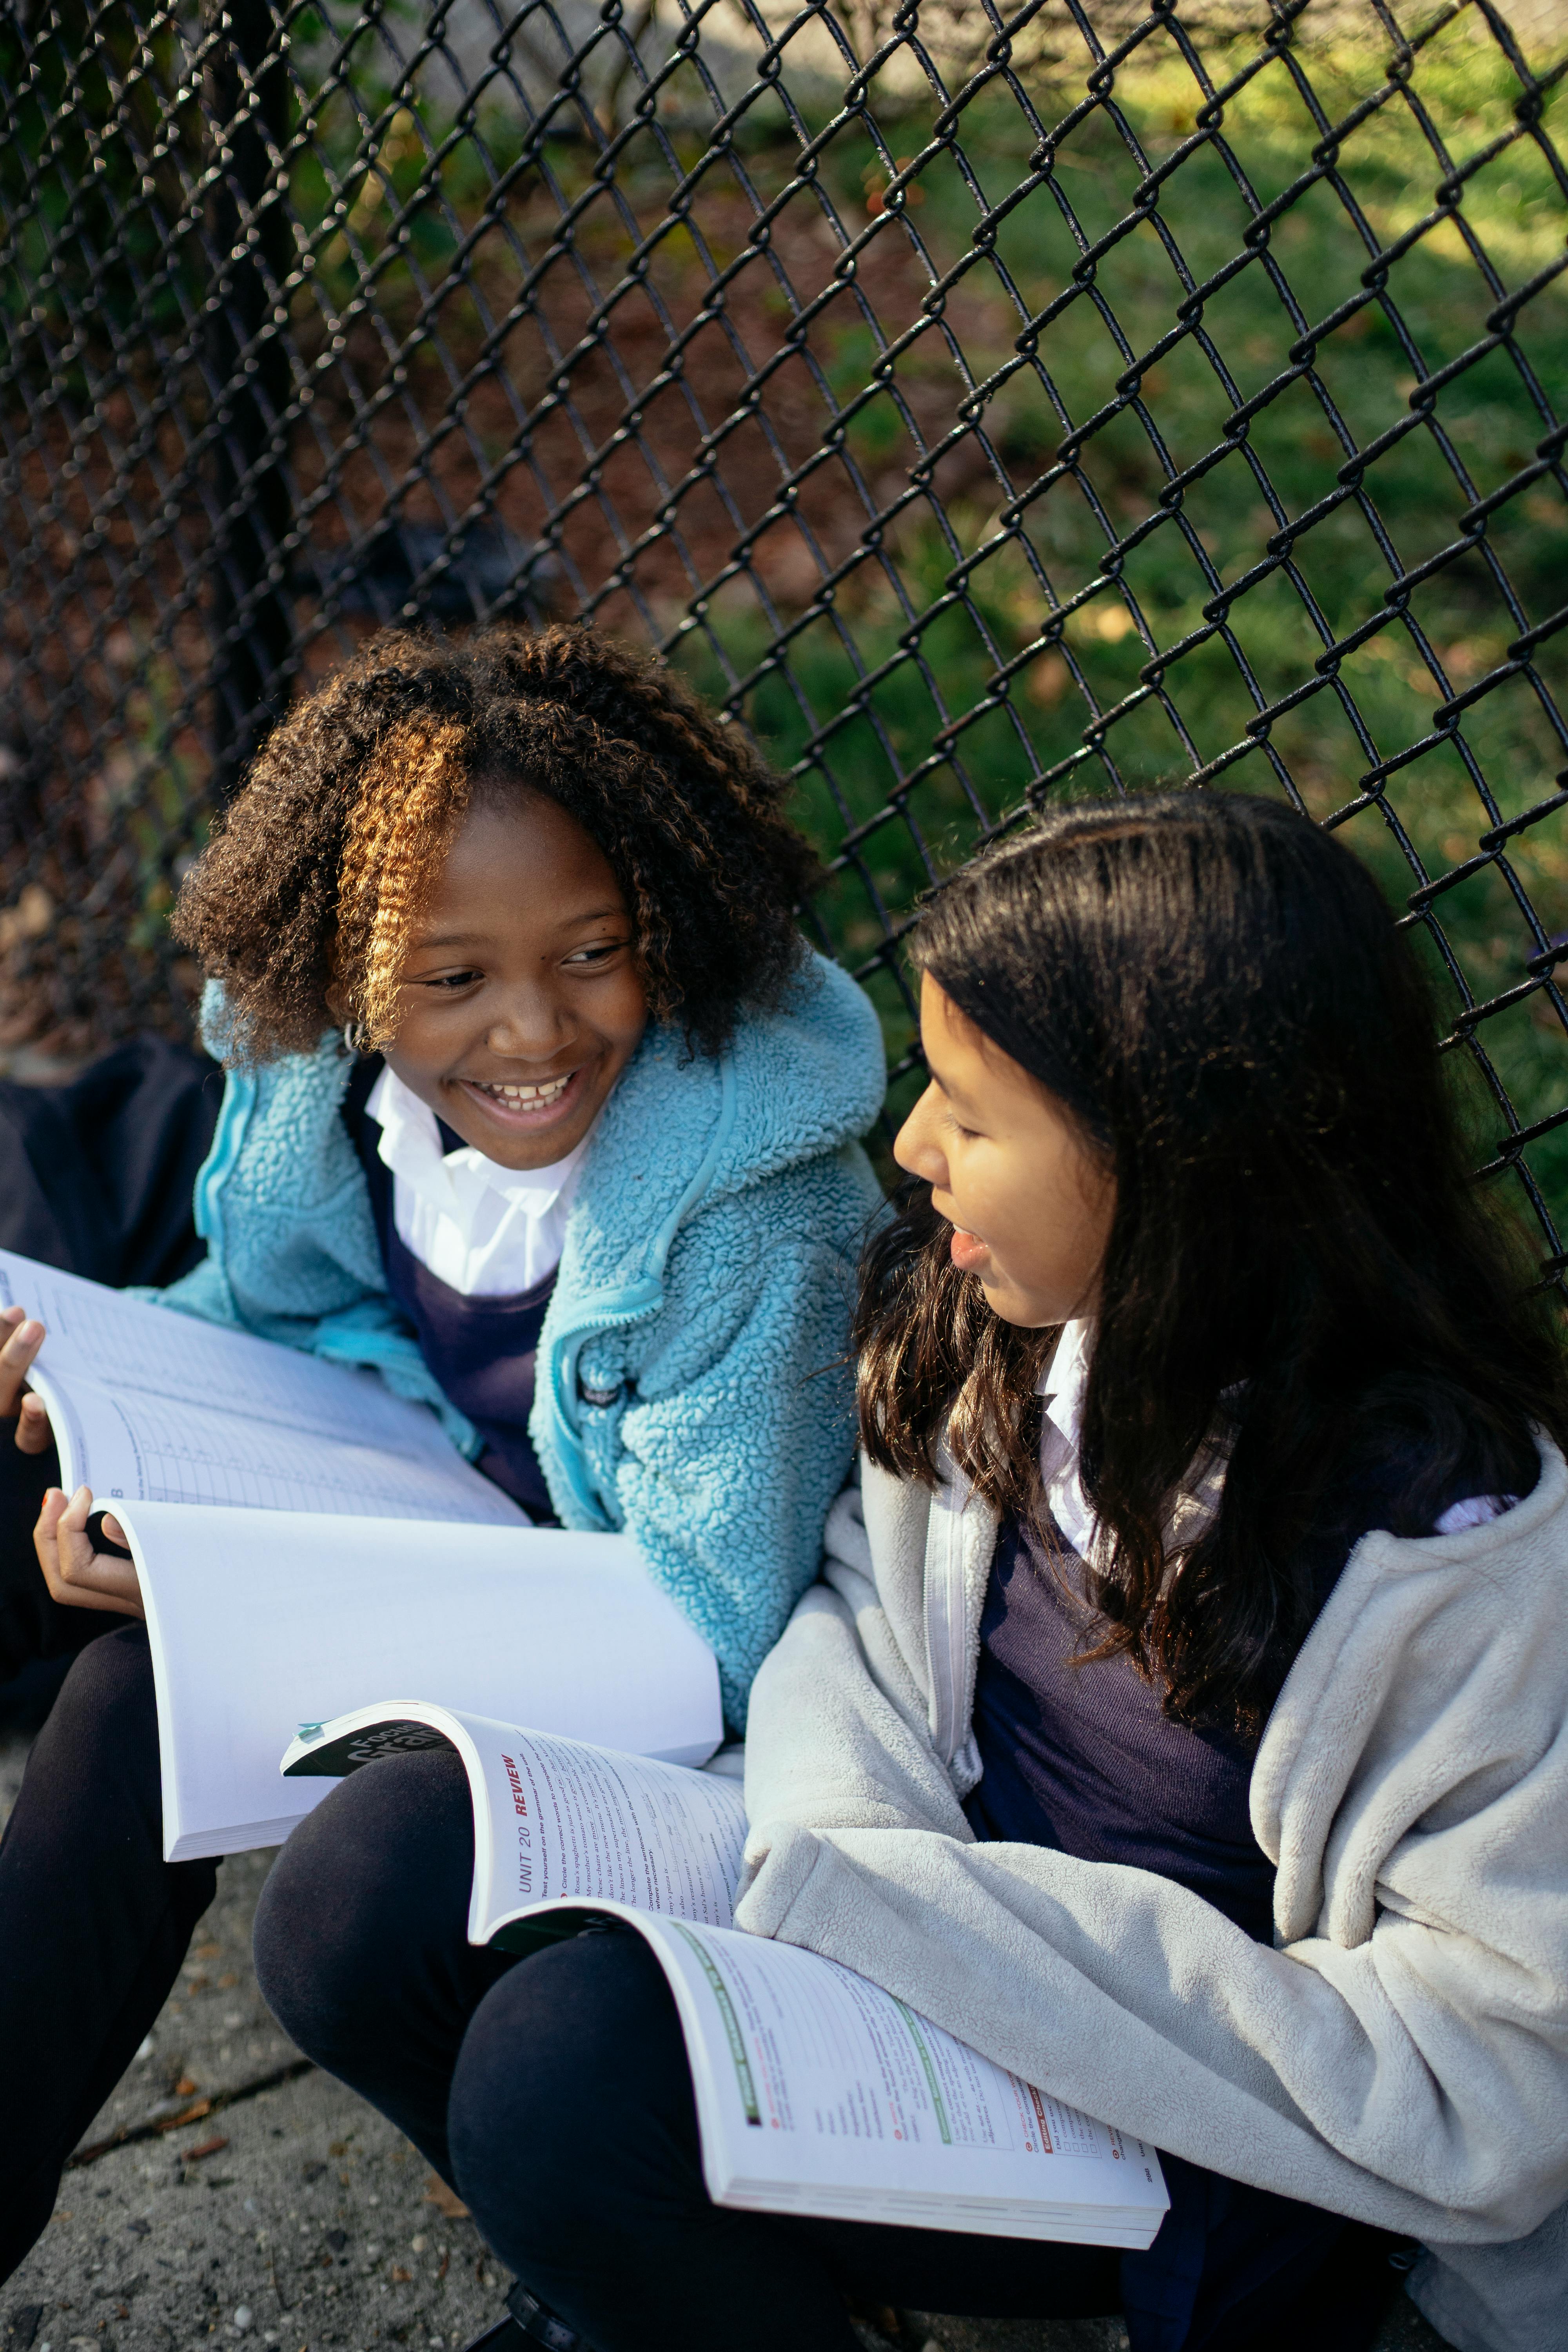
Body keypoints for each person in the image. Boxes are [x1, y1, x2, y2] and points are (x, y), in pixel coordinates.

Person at [252, 793, 1568, 2352]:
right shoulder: (992, 1347)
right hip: (899, 1903)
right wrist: (854, 1858)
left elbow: (1483, 2084)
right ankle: (669, 2299)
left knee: (564, 2084)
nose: (911, 1146)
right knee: (360, 1888)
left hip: (1203, 2133)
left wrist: (921, 1920)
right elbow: (855, 1607)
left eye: (970, 1109)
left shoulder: (1443, 1546)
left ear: (1175, 1158)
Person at [0, 623, 885, 2283]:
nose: (533, 1031)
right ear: (348, 976)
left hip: (685, 1702)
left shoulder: (755, 1210)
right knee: (82, 1596)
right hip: (442, 1539)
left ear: (669, 922)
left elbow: (715, 1628)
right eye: (452, 976)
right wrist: (116, 1425)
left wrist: (261, 1610)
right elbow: (284, 1308)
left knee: (177, 1718)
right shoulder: (329, 1090)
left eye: (593, 951)